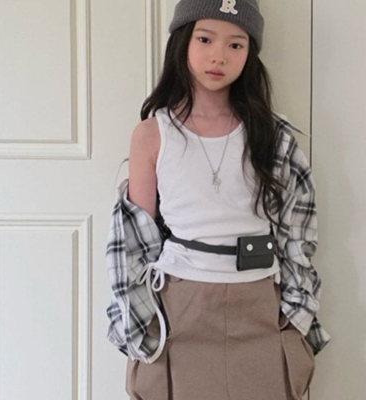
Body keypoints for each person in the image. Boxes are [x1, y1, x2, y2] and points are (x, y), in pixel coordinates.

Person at [106, 1, 330, 399]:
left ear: (250, 53)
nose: (218, 56)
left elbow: (298, 233)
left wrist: (296, 316)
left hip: (259, 301)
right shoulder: (152, 135)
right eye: (205, 39)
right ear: (182, 42)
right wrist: (138, 324)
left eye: (236, 45)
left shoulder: (273, 136)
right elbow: (135, 245)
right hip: (180, 304)